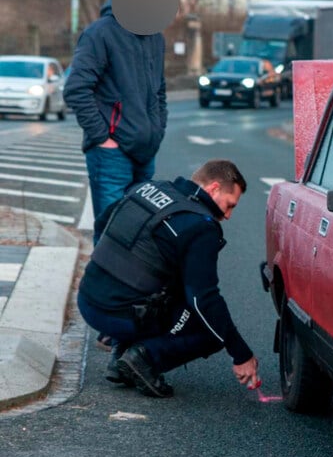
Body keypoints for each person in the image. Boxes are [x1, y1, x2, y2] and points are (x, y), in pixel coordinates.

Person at [77, 159, 260, 398]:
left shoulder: (148, 188)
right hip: (120, 316)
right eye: (229, 205)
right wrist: (241, 354)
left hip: (88, 299)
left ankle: (120, 356)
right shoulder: (200, 225)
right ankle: (143, 357)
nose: (228, 216)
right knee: (212, 329)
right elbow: (203, 299)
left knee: (167, 283)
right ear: (213, 188)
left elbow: (102, 224)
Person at [64, 0, 178, 244]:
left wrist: (157, 129)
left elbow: (159, 91)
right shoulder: (100, 33)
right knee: (111, 236)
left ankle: (130, 289)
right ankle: (101, 288)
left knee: (139, 235)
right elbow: (76, 89)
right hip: (111, 155)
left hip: (145, 151)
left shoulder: (155, 37)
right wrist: (103, 138)